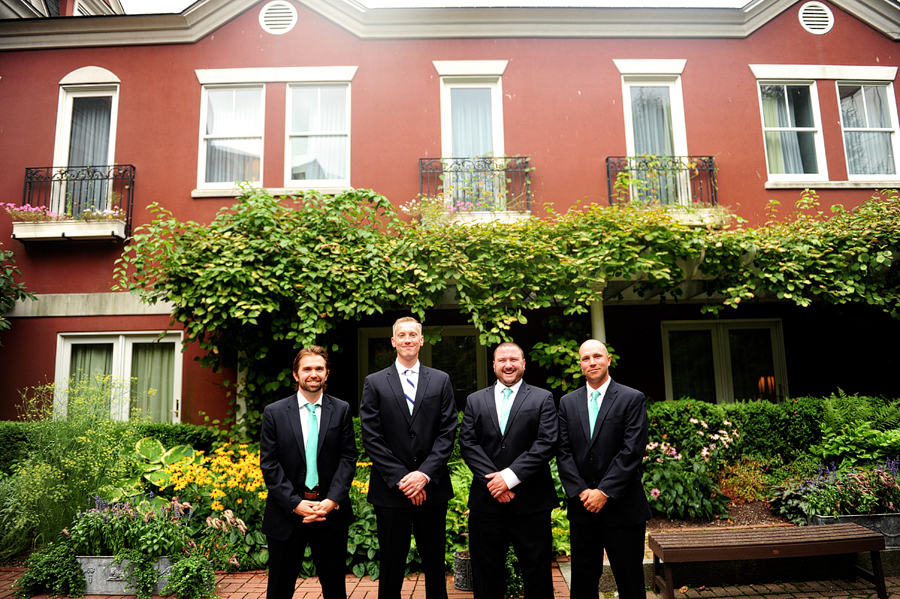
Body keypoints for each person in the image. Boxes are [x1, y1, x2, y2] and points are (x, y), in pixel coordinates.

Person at [359, 316, 458, 599]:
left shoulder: (441, 380)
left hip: (432, 490)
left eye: (412, 335)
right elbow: (371, 437)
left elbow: (448, 431)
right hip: (391, 492)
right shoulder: (374, 383)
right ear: (393, 342)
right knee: (391, 564)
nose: (407, 339)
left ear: (421, 340)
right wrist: (404, 479)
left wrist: (423, 475)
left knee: (434, 564)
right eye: (401, 335)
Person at [459, 341, 558, 599]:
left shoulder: (542, 398)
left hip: (531, 502)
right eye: (502, 360)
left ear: (524, 364)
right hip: (486, 502)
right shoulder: (474, 400)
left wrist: (509, 478)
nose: (508, 365)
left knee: (536, 574)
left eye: (514, 359)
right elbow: (467, 444)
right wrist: (494, 482)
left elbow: (546, 443)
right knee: (486, 575)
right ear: (493, 365)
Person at [556, 339, 652, 599]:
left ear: (608, 360)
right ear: (580, 365)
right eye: (586, 358)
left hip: (623, 507)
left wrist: (604, 491)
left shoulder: (632, 398)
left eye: (597, 356)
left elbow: (632, 450)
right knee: (584, 583)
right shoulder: (567, 403)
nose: (592, 362)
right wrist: (582, 492)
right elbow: (563, 453)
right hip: (582, 508)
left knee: (630, 581)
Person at [260, 346, 357, 599]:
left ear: (326, 374)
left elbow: (348, 458)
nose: (313, 374)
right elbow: (269, 464)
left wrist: (332, 500)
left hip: (330, 514)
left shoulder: (342, 409)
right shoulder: (275, 412)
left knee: (335, 589)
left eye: (319, 369)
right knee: (279, 590)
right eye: (307, 369)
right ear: (295, 374)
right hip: (286, 514)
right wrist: (295, 504)